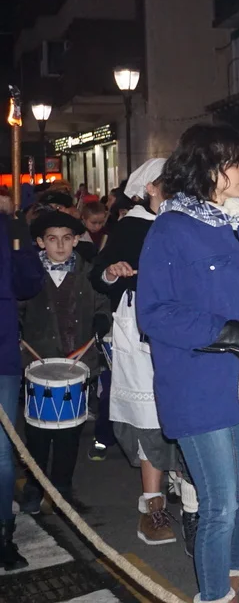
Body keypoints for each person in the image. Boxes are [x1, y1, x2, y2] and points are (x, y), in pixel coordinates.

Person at [137, 123, 239, 603]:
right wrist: (226, 332)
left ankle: (229, 574)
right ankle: (213, 594)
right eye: (236, 162)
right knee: (220, 504)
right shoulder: (170, 229)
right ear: (207, 167)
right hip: (198, 384)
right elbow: (154, 312)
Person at [93, 158, 198, 550]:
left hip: (183, 327)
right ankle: (152, 506)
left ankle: (191, 499)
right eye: (166, 181)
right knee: (149, 416)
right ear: (149, 188)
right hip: (139, 330)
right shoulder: (131, 226)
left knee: (186, 410)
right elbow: (98, 274)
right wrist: (113, 271)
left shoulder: (188, 222)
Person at [20, 211, 111, 514]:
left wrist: (101, 321)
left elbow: (102, 303)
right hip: (37, 364)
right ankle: (34, 486)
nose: (59, 246)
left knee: (70, 432)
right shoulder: (29, 273)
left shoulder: (88, 272)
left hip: (77, 364)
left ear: (75, 240)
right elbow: (17, 308)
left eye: (66, 239)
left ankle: (62, 488)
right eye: (52, 239)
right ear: (40, 242)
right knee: (36, 432)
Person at [0, 212, 44, 570]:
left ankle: (3, 534)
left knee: (2, 452)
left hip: (1, 352)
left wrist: (19, 241)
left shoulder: (6, 227)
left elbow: (28, 284)